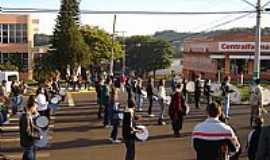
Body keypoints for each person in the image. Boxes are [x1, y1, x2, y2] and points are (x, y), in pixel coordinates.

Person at [20, 95, 42, 160]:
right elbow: (28, 133)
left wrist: (38, 129)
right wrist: (38, 137)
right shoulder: (27, 117)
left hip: (27, 142)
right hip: (28, 142)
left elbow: (31, 125)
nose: (36, 109)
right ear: (32, 106)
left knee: (29, 156)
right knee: (29, 156)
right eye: (35, 107)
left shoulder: (28, 115)